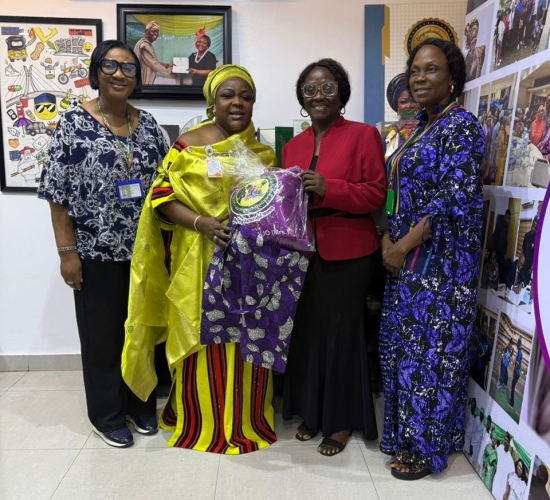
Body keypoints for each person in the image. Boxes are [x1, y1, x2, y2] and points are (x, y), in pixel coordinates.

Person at [122, 64, 278, 453]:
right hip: (198, 264)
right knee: (202, 338)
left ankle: (245, 418)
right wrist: (200, 222)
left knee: (245, 338)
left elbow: (273, 206)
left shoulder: (261, 153)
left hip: (248, 268)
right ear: (212, 102)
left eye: (245, 96)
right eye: (228, 95)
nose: (237, 102)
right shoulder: (188, 145)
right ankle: (200, 419)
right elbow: (160, 196)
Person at [37, 40, 168, 447]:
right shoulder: (72, 125)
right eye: (110, 66)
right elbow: (57, 195)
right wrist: (67, 254)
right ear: (96, 72)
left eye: (128, 68)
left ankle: (140, 405)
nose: (119, 74)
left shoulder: (149, 126)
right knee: (102, 339)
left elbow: (167, 187)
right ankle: (108, 415)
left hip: (145, 254)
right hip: (95, 254)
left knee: (141, 333)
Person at [379, 38, 485, 480]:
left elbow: (451, 202)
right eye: (415, 70)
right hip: (407, 260)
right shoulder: (422, 126)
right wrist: (388, 237)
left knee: (433, 357)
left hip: (441, 265)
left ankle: (428, 449)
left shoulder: (461, 127)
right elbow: (398, 193)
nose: (420, 78)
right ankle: (405, 437)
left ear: (453, 78)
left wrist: (401, 246)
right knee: (406, 352)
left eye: (431, 69)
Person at [282, 58, 386, 456]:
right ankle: (312, 412)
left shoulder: (363, 135)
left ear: (342, 93)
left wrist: (330, 187)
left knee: (342, 334)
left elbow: (376, 194)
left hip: (351, 249)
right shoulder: (292, 146)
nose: (318, 96)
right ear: (302, 99)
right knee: (310, 333)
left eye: (327, 88)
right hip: (303, 251)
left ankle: (340, 421)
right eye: (310, 90)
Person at [384, 73, 421, 158]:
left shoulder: (430, 129)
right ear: (396, 107)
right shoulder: (387, 134)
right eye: (403, 102)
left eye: (414, 101)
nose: (409, 105)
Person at [133, 21, 175, 85]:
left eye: (157, 32)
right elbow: (153, 64)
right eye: (153, 31)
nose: (156, 34)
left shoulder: (146, 44)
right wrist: (170, 73)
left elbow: (153, 61)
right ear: (146, 31)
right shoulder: (144, 45)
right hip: (144, 80)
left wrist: (166, 65)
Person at [493, 432, 516, 500]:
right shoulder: (499, 448)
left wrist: (506, 493)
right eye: (505, 439)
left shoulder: (510, 460)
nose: (506, 442)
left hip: (502, 486)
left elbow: (510, 480)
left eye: (508, 441)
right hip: (495, 480)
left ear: (509, 443)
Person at [493, 209, 511, 285]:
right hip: (497, 252)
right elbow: (494, 238)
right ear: (505, 217)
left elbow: (506, 242)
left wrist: (505, 253)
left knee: (502, 271)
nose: (508, 221)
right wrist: (493, 251)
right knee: (495, 271)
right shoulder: (500, 224)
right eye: (507, 218)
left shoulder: (507, 228)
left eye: (509, 219)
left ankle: (501, 285)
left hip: (502, 254)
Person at [509, 338, 523, 408]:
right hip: (518, 372)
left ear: (520, 345)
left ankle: (512, 403)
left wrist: (513, 370)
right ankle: (512, 401)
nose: (517, 346)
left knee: (512, 386)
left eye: (518, 345)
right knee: (513, 386)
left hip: (517, 372)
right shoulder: (520, 352)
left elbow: (517, 364)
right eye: (517, 345)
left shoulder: (520, 353)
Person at [522, 215, 538, 280]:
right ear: (532, 223)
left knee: (526, 284)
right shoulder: (526, 235)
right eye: (533, 226)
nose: (533, 229)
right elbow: (523, 249)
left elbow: (536, 255)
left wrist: (532, 266)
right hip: (524, 265)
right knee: (521, 282)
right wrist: (522, 257)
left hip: (530, 268)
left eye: (535, 228)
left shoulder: (536, 239)